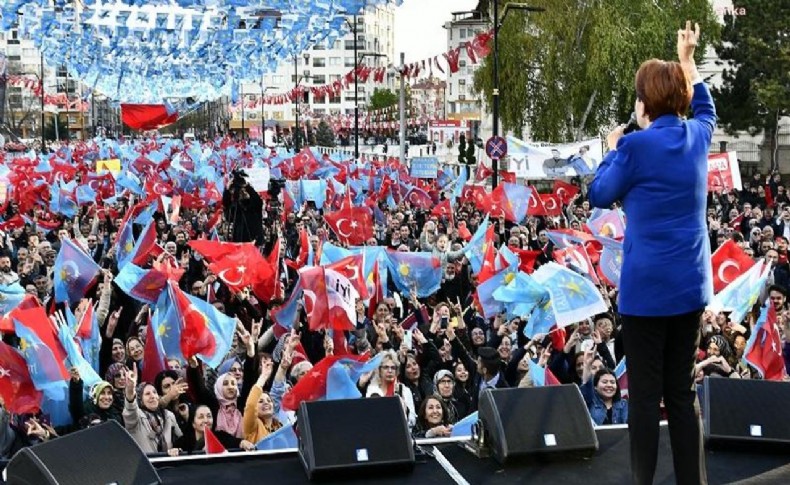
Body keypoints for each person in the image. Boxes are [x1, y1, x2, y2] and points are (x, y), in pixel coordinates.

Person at [588, 22, 715, 485]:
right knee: (681, 395)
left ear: (645, 103)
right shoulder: (698, 136)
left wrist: (612, 148)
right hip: (690, 287)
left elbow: (599, 193)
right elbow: (706, 106)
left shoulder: (635, 147)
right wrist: (687, 58)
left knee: (644, 398)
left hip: (645, 293)